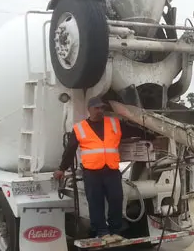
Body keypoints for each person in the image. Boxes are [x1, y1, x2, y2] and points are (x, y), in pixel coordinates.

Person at [54, 95, 143, 242]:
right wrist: (61, 169)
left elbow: (135, 131)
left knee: (116, 200)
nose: (100, 110)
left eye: (102, 108)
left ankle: (115, 231)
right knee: (95, 202)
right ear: (89, 109)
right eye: (97, 108)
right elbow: (70, 150)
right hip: (92, 172)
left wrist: (152, 134)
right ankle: (101, 232)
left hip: (112, 170)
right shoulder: (79, 128)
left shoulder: (114, 124)